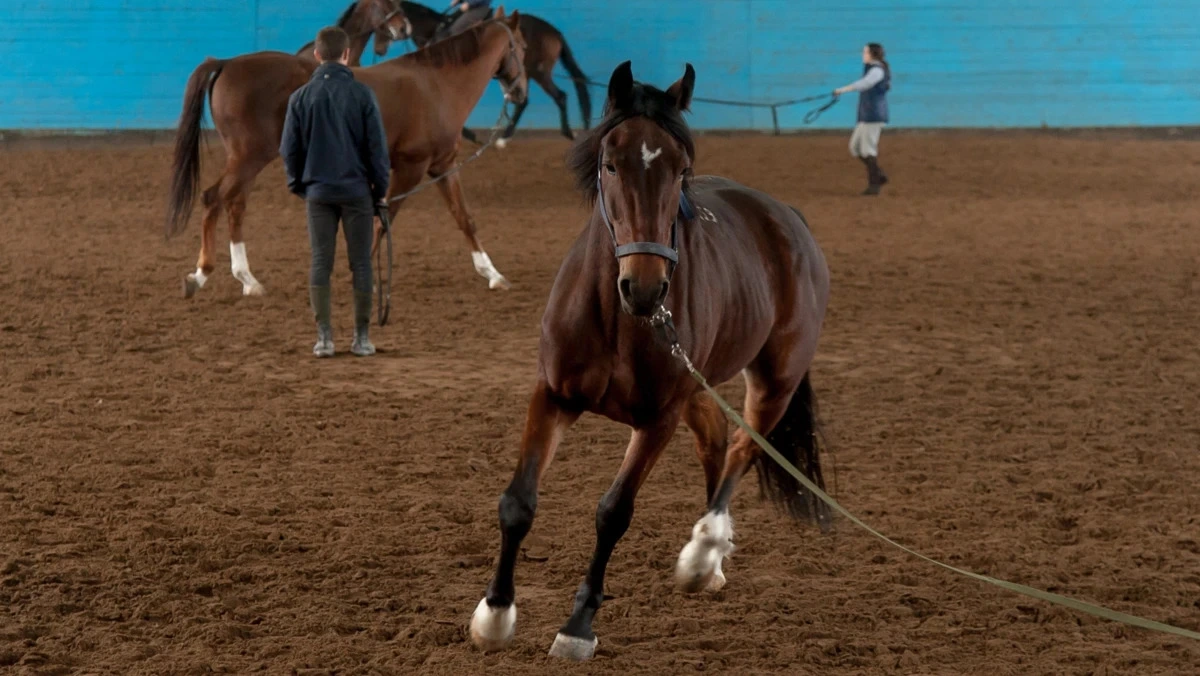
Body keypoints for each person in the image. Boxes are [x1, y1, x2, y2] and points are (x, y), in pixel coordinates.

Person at [280, 26, 391, 358]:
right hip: (357, 192)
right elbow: (378, 154)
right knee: (360, 263)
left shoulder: (299, 98)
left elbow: (289, 150)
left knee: (320, 261)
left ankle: (324, 338)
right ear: (346, 55)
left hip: (318, 192)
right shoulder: (363, 95)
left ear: (316, 56)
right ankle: (361, 338)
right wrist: (380, 192)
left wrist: (299, 184)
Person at [833, 43, 891, 195]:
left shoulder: (877, 70)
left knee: (867, 149)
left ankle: (874, 184)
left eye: (865, 52)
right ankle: (879, 174)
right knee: (855, 148)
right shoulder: (872, 69)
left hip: (873, 114)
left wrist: (843, 89)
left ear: (872, 54)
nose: (863, 54)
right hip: (866, 114)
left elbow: (865, 84)